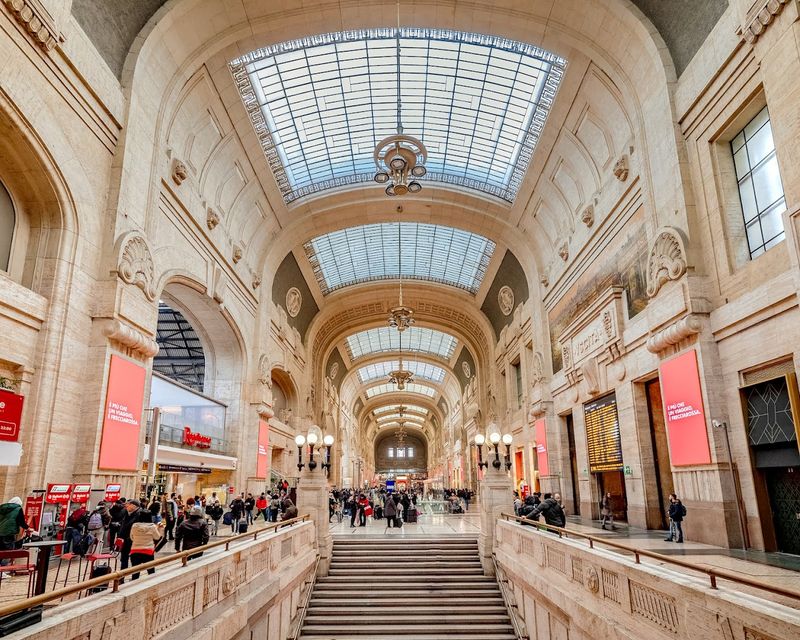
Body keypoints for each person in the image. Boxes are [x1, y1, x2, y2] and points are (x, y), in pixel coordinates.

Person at [129, 510, 165, 580]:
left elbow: (131, 537)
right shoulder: (152, 526)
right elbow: (157, 537)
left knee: (135, 573)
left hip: (135, 551)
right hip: (148, 551)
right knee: (151, 572)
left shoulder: (134, 526)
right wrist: (160, 529)